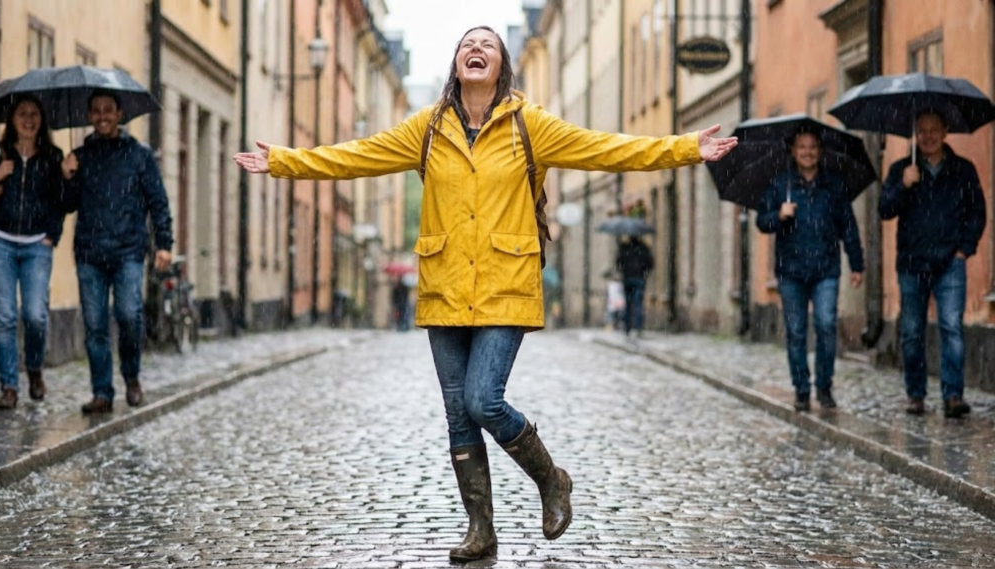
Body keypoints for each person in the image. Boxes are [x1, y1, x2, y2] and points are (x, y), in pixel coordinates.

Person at [234, 26, 736, 562]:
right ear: (455, 63)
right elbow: (356, 156)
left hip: (506, 285)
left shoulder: (530, 126)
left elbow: (606, 149)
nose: (476, 50)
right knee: (458, 414)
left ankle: (551, 480)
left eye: (488, 46)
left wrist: (686, 148)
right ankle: (481, 529)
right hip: (445, 284)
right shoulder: (426, 129)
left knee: (483, 400)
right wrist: (285, 161)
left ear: (502, 66)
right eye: (467, 44)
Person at [62, 89, 174, 414]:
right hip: (89, 252)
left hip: (128, 250)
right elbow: (68, 204)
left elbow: (158, 202)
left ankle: (132, 376)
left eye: (108, 110)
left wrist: (164, 243)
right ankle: (102, 392)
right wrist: (67, 175)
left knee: (129, 315)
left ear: (120, 114)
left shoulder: (139, 155)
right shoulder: (81, 156)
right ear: (89, 116)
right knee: (95, 324)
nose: (102, 116)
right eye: (96, 111)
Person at [880, 110, 986, 419]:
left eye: (934, 130)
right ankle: (916, 395)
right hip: (912, 263)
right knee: (912, 331)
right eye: (922, 131)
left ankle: (953, 395)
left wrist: (965, 250)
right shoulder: (902, 168)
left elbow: (977, 211)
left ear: (945, 132)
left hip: (950, 262)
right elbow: (884, 209)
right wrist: (903, 185)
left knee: (951, 328)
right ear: (915, 134)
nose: (928, 136)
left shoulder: (963, 170)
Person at [0, 95, 74, 409]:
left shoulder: (52, 157)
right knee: (4, 317)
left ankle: (34, 368)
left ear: (41, 120)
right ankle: (9, 387)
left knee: (35, 315)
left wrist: (68, 176)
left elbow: (64, 204)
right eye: (22, 114)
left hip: (36, 247)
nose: (29, 120)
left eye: (34, 115)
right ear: (12, 120)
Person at [757, 130, 864, 412]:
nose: (807, 152)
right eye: (802, 147)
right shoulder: (781, 185)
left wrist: (857, 264)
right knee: (796, 332)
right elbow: (762, 222)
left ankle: (824, 387)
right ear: (793, 151)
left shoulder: (834, 186)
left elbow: (849, 227)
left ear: (820, 151)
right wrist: (779, 215)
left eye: (812, 147)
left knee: (827, 325)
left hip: (826, 269)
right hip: (790, 271)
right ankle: (802, 389)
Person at [615, 236, 654, 337]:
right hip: (639, 279)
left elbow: (618, 263)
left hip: (628, 278)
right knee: (638, 304)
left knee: (628, 304)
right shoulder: (644, 249)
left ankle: (627, 327)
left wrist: (624, 271)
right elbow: (650, 264)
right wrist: (644, 272)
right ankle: (638, 327)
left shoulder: (625, 249)